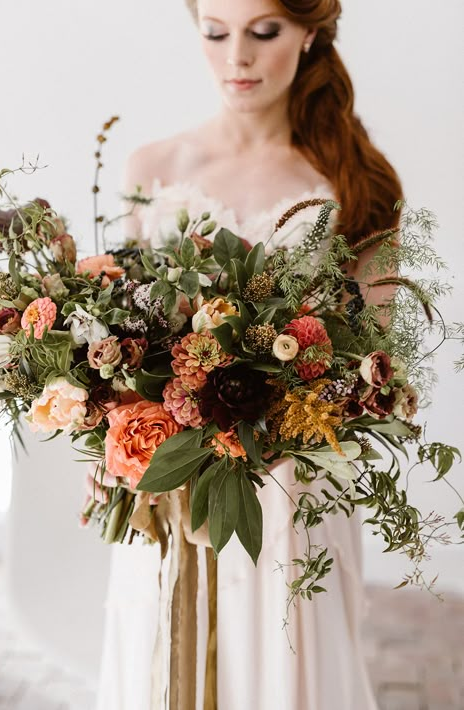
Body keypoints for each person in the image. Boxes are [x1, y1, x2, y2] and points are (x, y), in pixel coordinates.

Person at [89, 1, 403, 708]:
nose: (238, 58)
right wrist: (109, 432)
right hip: (169, 488)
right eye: (216, 32)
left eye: (264, 33)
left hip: (293, 492)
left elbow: (378, 366)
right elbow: (120, 338)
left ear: (310, 31)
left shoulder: (356, 185)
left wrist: (299, 418)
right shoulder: (151, 167)